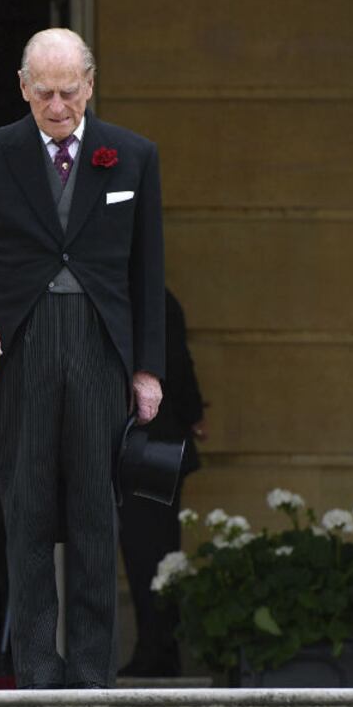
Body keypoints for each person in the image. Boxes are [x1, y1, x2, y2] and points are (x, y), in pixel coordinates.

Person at [0, 28, 165, 689]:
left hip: (100, 347)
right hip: (22, 347)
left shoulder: (132, 154)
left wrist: (148, 369)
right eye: (44, 93)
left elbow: (149, 270)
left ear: (90, 84)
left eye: (69, 92)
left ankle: (93, 673)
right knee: (27, 509)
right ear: (23, 87)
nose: (58, 106)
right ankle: (37, 669)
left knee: (96, 510)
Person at [118, 288, 205, 678]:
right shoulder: (157, 298)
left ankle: (157, 650)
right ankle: (158, 649)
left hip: (152, 447)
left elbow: (176, 364)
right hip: (156, 444)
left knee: (149, 553)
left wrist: (192, 412)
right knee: (153, 552)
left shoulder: (148, 300)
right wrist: (193, 414)